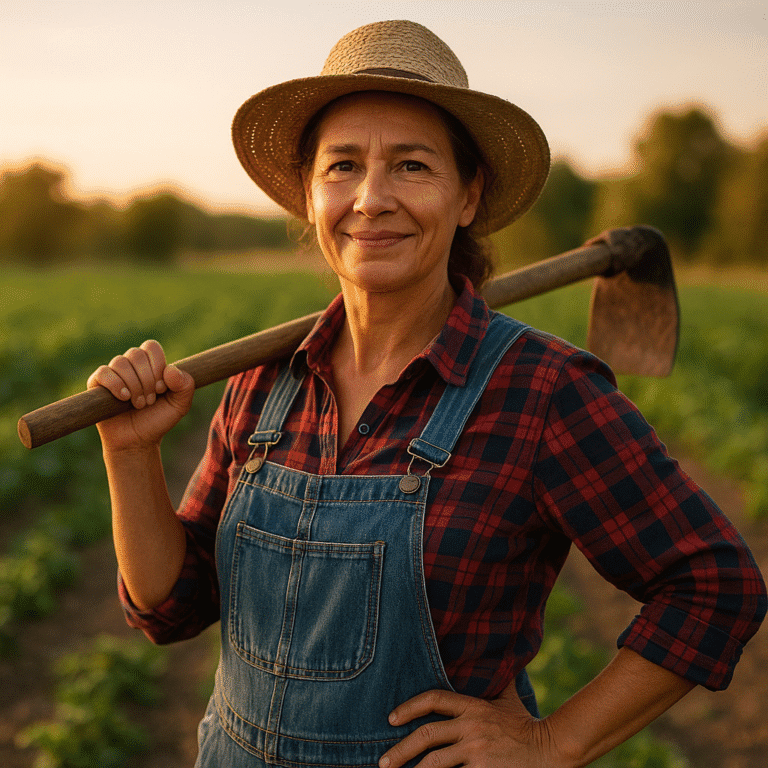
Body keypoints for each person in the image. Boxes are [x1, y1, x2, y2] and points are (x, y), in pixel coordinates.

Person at [88, 20, 766, 768]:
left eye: (411, 166)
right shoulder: (262, 386)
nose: (372, 198)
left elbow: (713, 585)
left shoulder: (541, 392)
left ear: (468, 195)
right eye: (342, 165)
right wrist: (130, 454)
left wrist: (554, 741)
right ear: (311, 195)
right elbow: (172, 605)